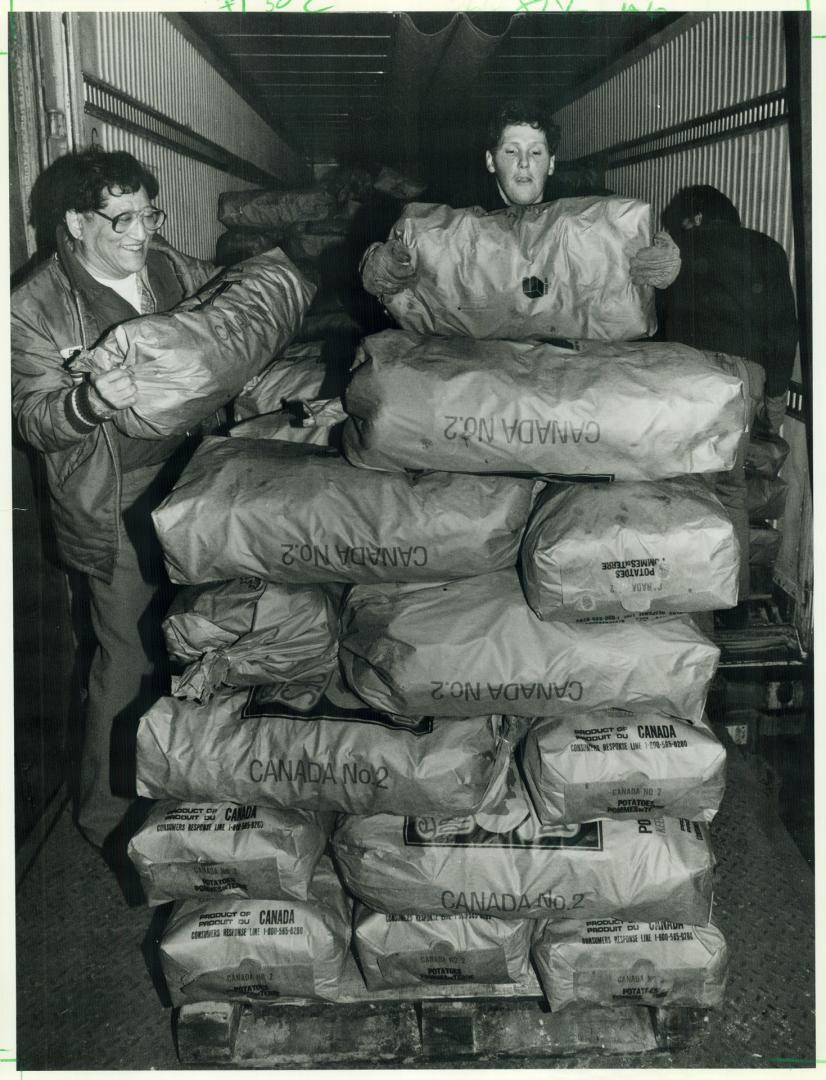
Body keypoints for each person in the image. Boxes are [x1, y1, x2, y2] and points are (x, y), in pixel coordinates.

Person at [12, 148, 216, 852]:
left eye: (148, 213)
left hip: (190, 476)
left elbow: (218, 313)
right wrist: (89, 399)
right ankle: (104, 819)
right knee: (126, 655)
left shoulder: (163, 263)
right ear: (75, 221)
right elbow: (31, 421)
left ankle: (180, 779)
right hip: (112, 499)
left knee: (195, 634)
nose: (141, 232)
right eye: (122, 218)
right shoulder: (33, 306)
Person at [360, 97, 681, 301]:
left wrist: (666, 264)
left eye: (536, 152)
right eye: (511, 151)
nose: (524, 163)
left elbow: (634, 248)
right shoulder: (453, 212)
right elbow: (400, 247)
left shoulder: (588, 211)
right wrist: (376, 264)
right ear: (490, 160)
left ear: (551, 163)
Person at [659, 185, 799, 613]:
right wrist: (773, 403)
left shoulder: (681, 249)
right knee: (731, 489)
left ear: (694, 218)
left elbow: (655, 324)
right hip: (746, 377)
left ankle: (687, 598)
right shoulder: (768, 248)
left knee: (686, 486)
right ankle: (730, 597)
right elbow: (783, 328)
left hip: (689, 371)